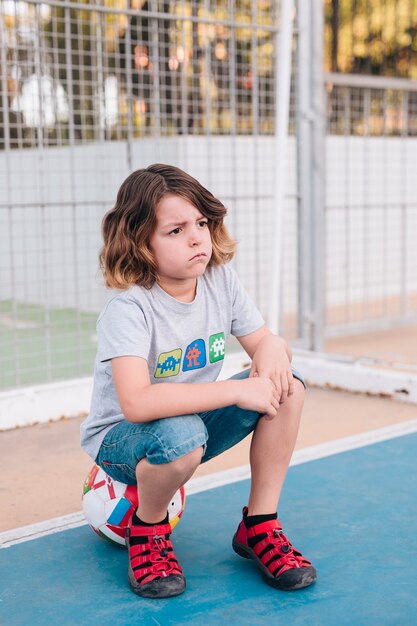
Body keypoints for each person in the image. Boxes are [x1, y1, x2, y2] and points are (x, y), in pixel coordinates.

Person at [80, 163, 317, 599]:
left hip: (189, 425)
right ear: (141, 244)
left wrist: (270, 347)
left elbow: (265, 342)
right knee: (182, 433)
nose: (196, 238)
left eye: (201, 223)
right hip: (122, 439)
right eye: (175, 230)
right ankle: (147, 530)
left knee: (289, 388)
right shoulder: (130, 309)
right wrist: (236, 388)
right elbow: (136, 403)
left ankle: (259, 526)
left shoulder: (219, 280)